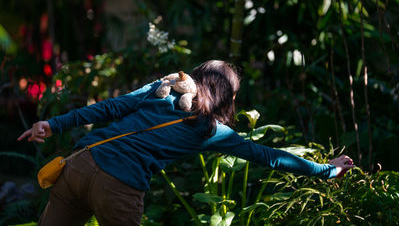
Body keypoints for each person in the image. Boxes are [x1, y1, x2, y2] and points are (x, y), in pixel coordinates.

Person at [18, 60, 354, 226]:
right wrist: (328, 171)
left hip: (79, 162)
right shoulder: (211, 130)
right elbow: (270, 157)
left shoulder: (163, 87)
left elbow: (111, 107)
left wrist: (53, 123)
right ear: (228, 98)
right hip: (117, 189)